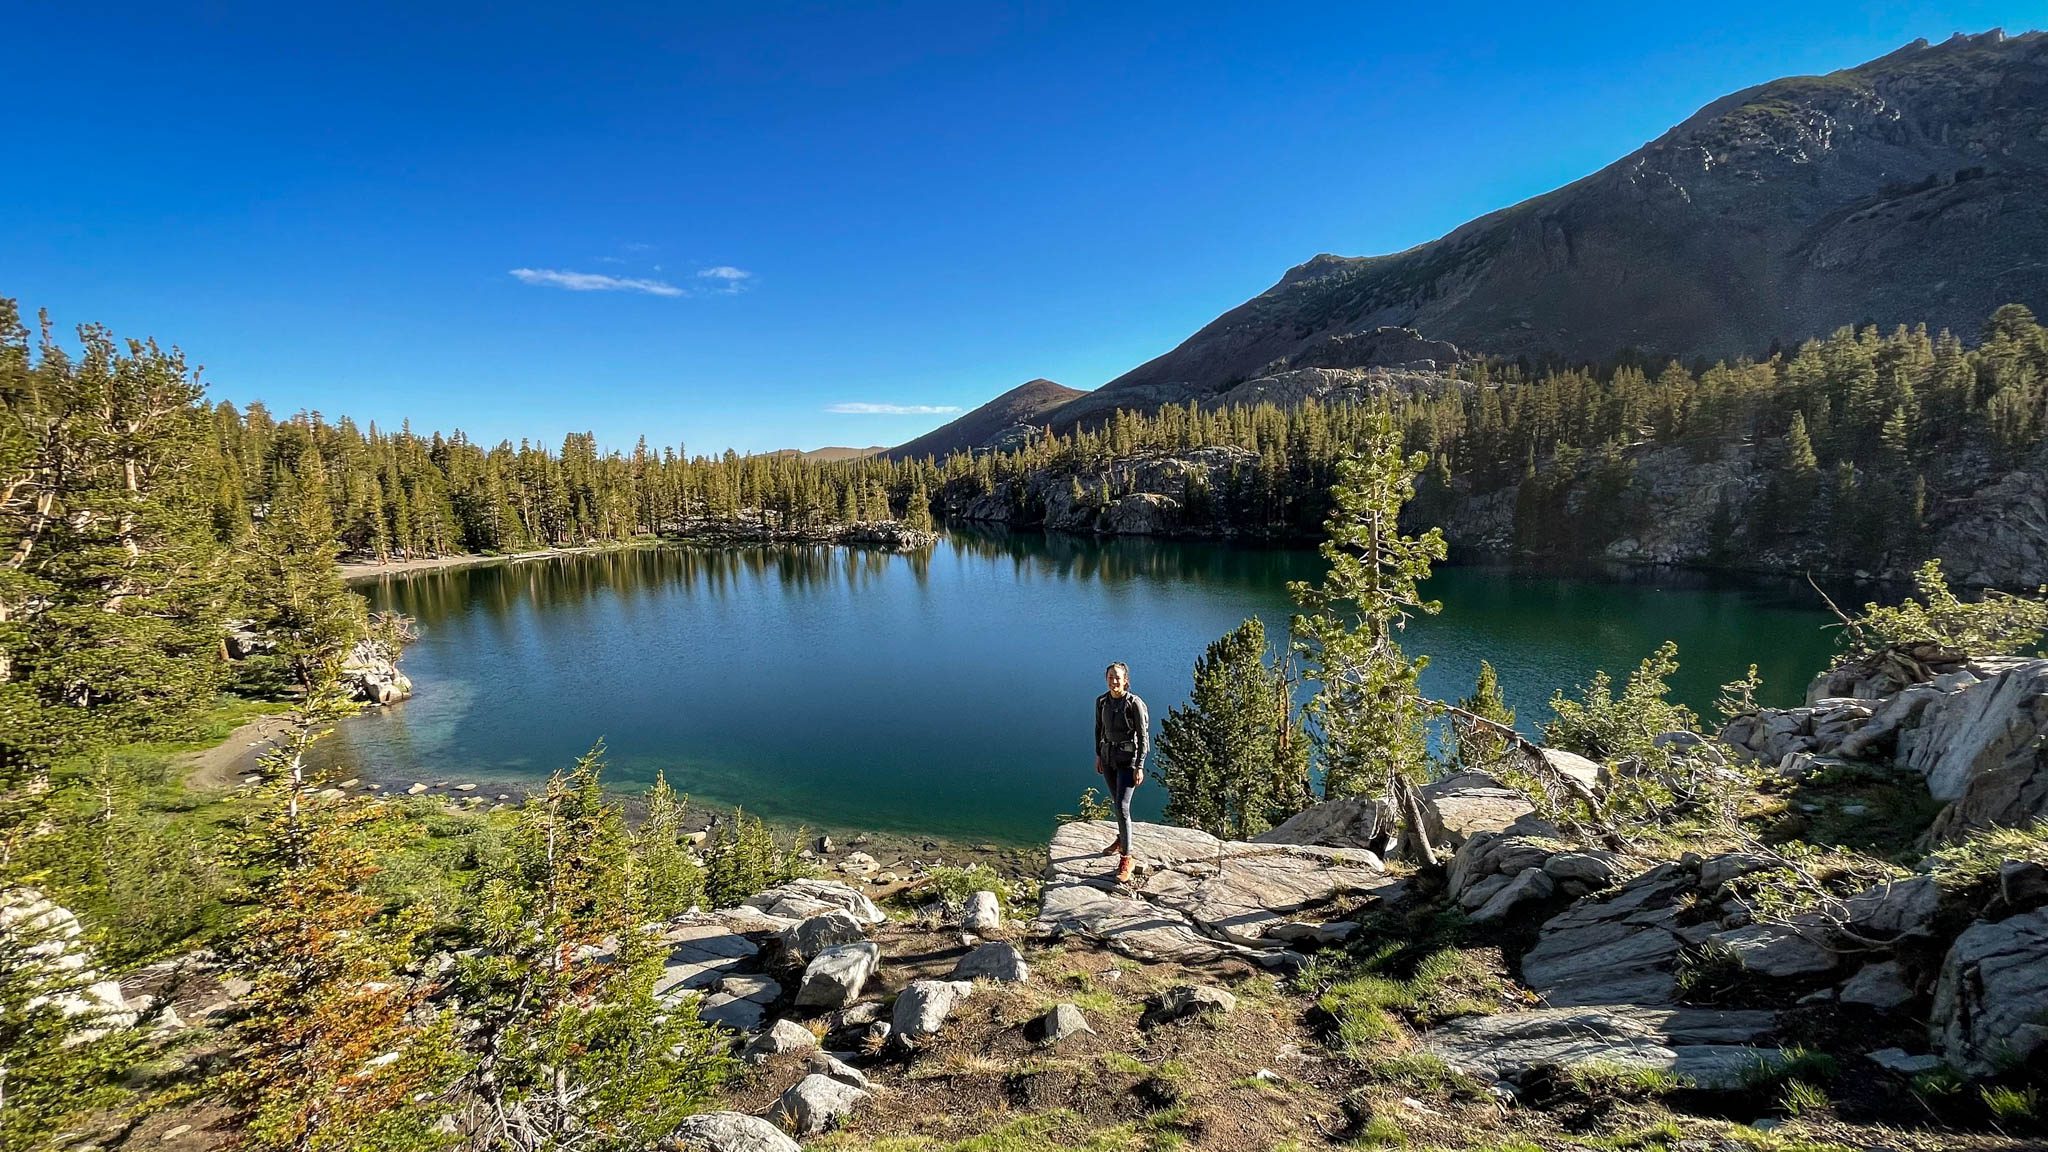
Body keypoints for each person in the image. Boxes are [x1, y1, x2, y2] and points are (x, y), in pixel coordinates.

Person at [1093, 661, 1150, 884]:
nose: (1113, 681)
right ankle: (1121, 839)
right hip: (1108, 759)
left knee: (1122, 806)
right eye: (1110, 677)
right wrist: (1099, 755)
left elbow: (1143, 737)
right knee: (1117, 802)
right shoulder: (1101, 702)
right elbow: (1099, 730)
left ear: (1125, 680)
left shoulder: (1133, 704)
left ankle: (1127, 858)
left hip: (1128, 761)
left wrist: (1140, 765)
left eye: (1117, 677)